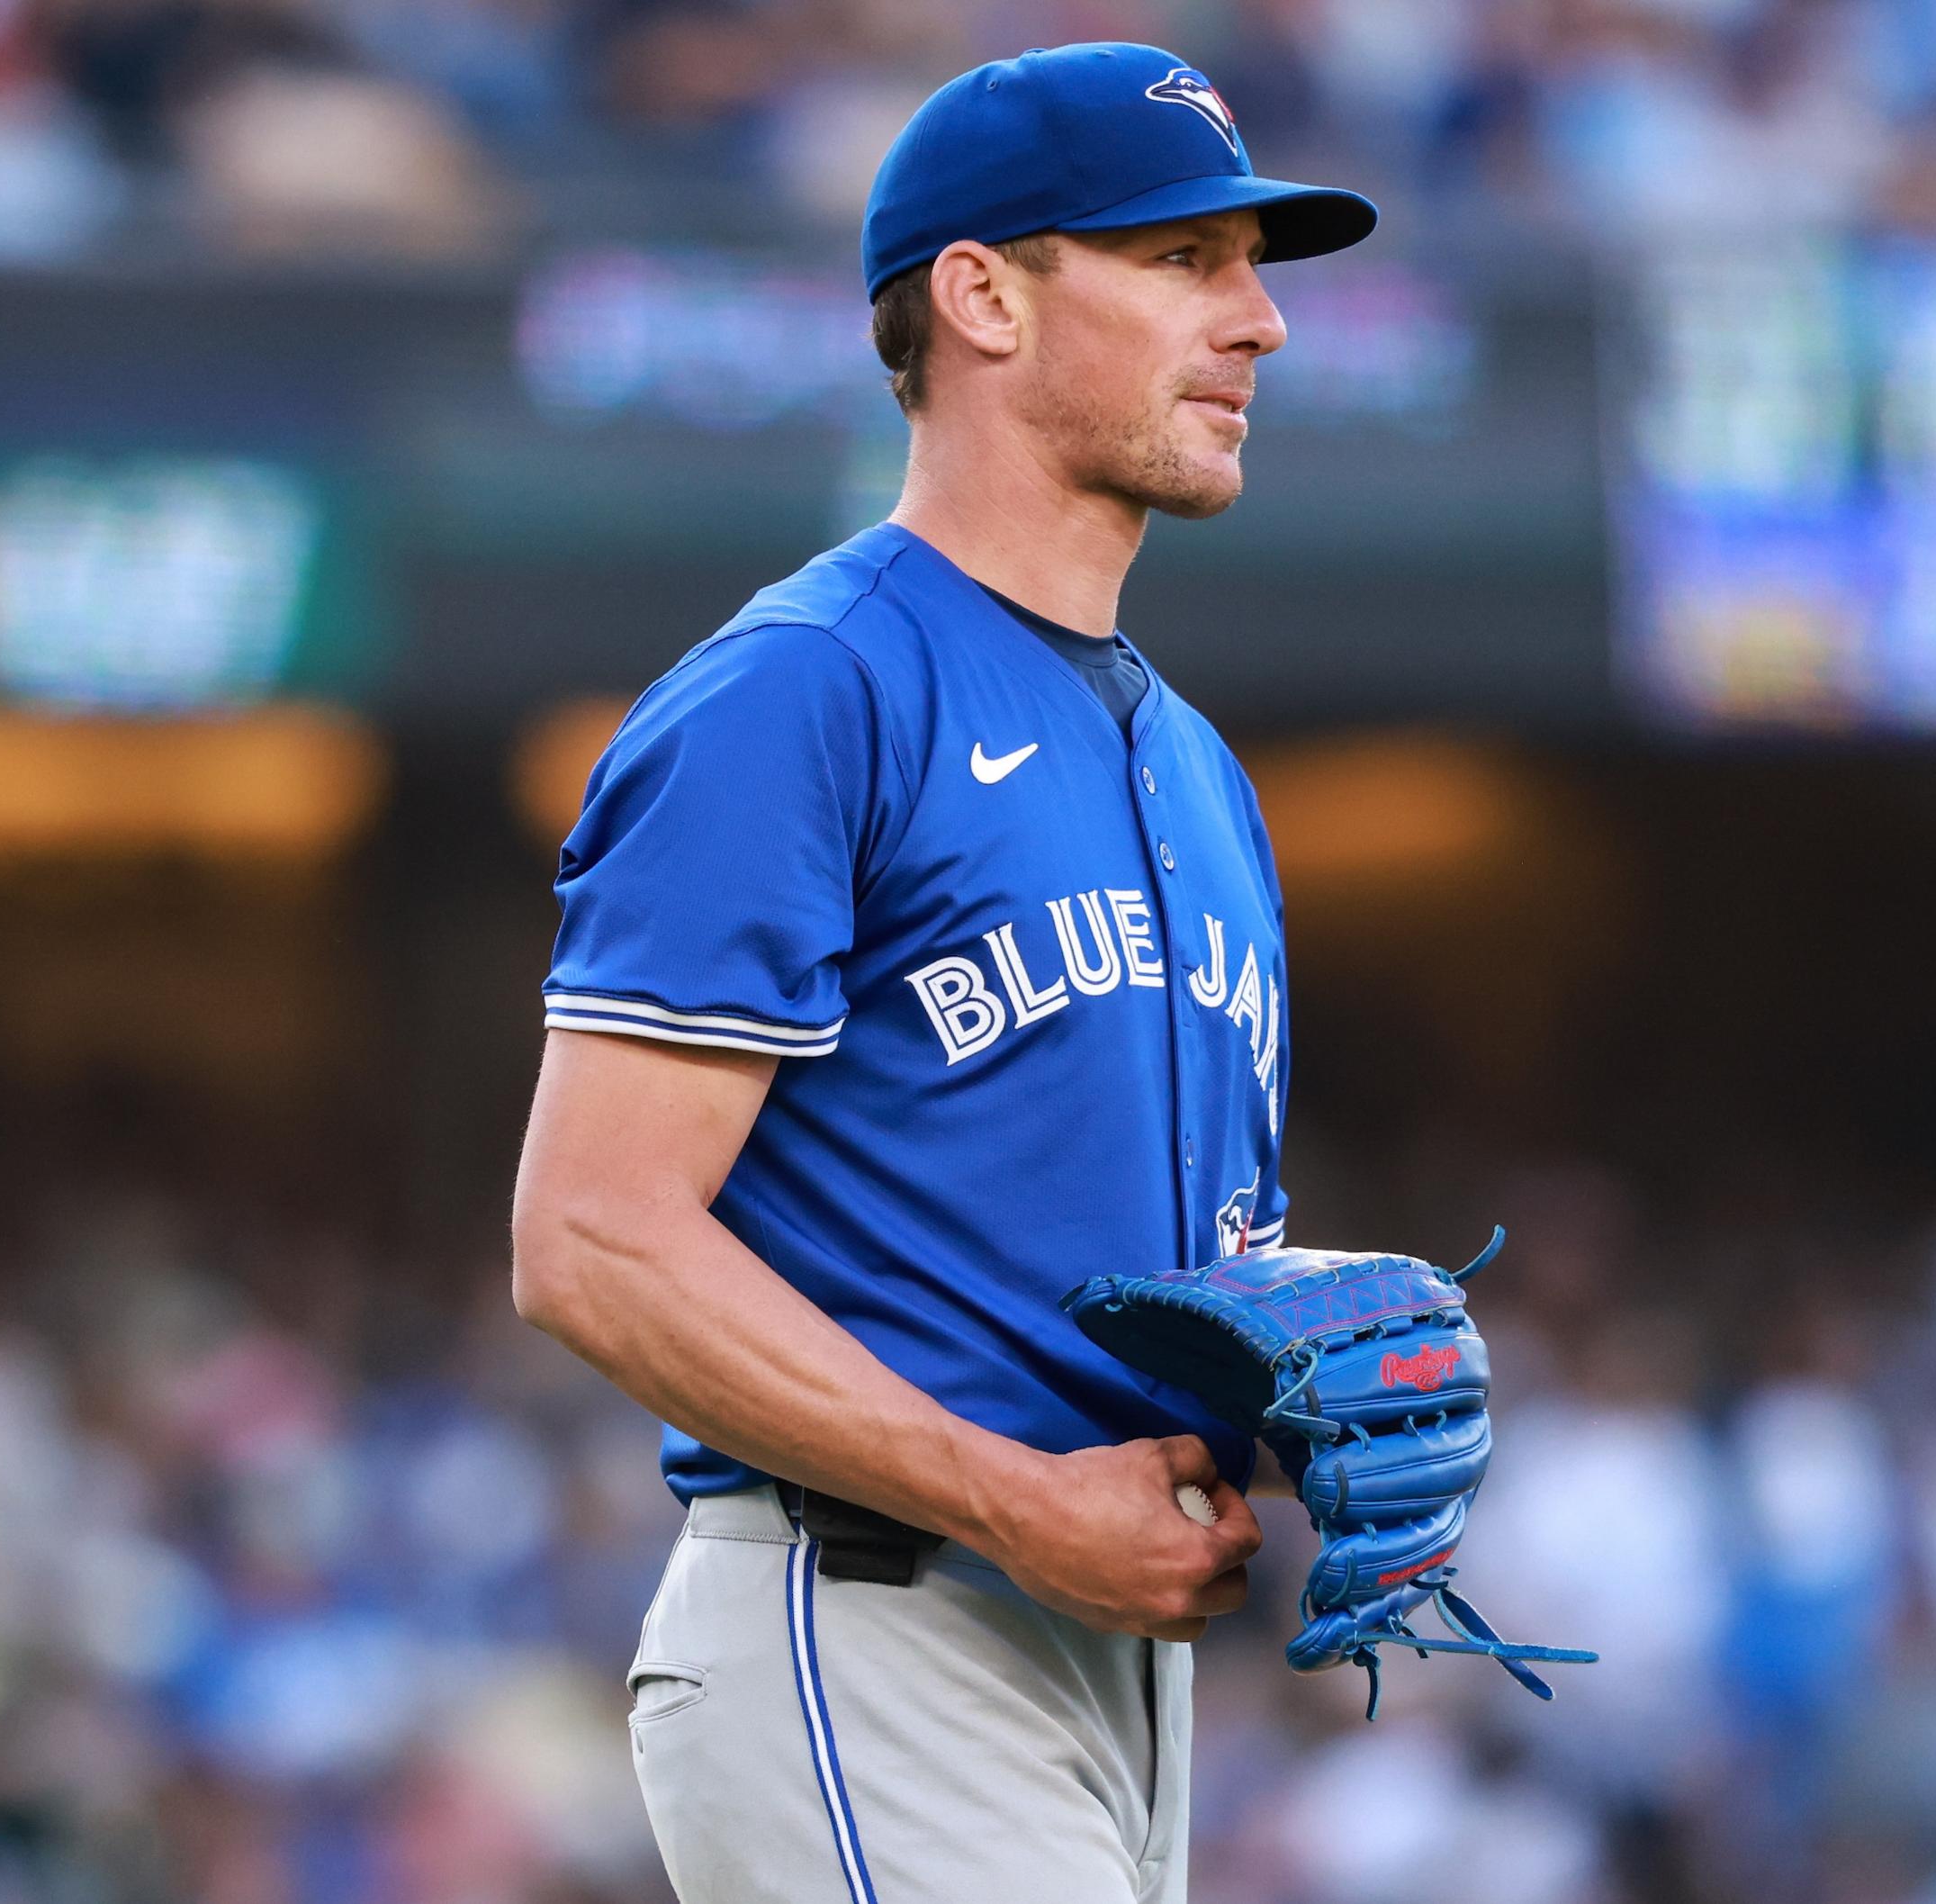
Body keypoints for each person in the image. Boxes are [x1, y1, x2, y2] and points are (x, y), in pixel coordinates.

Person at [506, 41, 1377, 1904]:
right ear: (980, 292)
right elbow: (587, 1235)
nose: (1258, 324)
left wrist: (1313, 1388)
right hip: (876, 1612)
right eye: (1180, 260)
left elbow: (1111, 1272)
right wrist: (1011, 1492)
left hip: (1115, 1667)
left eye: (1252, 266)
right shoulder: (807, 690)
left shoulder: (1198, 768)